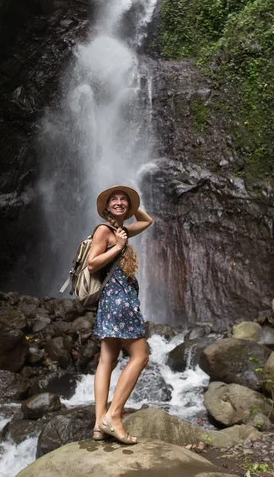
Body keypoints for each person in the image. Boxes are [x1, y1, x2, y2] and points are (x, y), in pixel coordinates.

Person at [88, 185, 153, 445]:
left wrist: (130, 206)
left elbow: (147, 220)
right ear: (105, 207)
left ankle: (98, 425)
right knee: (141, 356)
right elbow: (93, 263)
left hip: (110, 302)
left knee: (107, 360)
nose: (119, 202)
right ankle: (113, 415)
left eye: (123, 200)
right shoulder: (105, 231)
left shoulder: (121, 230)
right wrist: (118, 247)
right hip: (120, 301)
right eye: (113, 200)